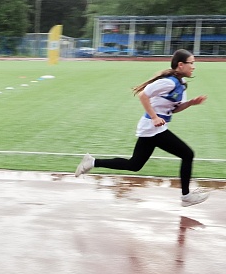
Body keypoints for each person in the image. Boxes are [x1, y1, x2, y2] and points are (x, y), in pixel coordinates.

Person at [75, 49, 209, 207]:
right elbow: (143, 95)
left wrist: (191, 103)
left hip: (153, 129)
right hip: (153, 128)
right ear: (181, 65)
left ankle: (92, 162)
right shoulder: (168, 82)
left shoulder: (181, 84)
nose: (193, 66)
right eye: (191, 63)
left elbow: (174, 109)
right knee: (187, 154)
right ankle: (186, 196)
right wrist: (154, 117)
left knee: (134, 165)